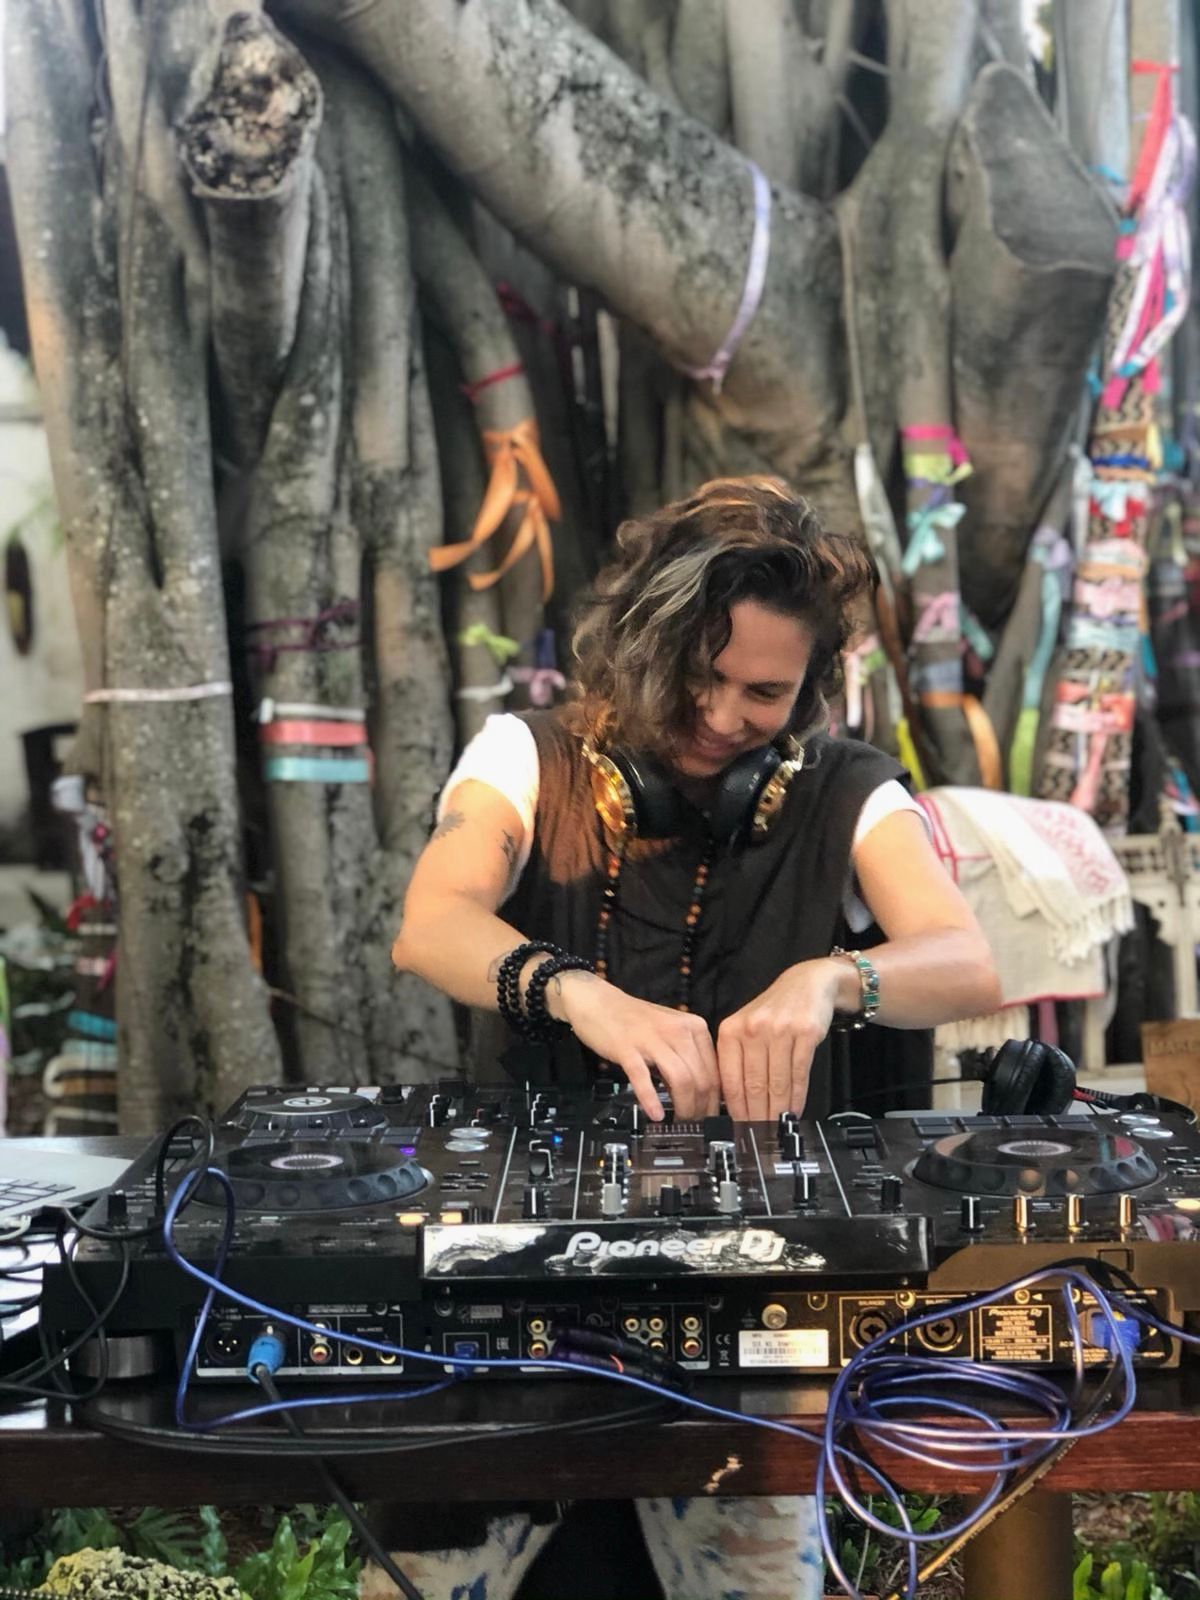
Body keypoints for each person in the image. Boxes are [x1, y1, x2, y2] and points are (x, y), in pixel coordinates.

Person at [383, 476, 1002, 1600]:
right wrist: (577, 992)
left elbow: (966, 960)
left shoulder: (851, 791)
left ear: (810, 689)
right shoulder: (525, 757)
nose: (721, 717)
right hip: (522, 1294)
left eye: (764, 691)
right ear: (641, 646)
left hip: (752, 1310)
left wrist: (831, 978)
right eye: (697, 676)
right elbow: (431, 926)